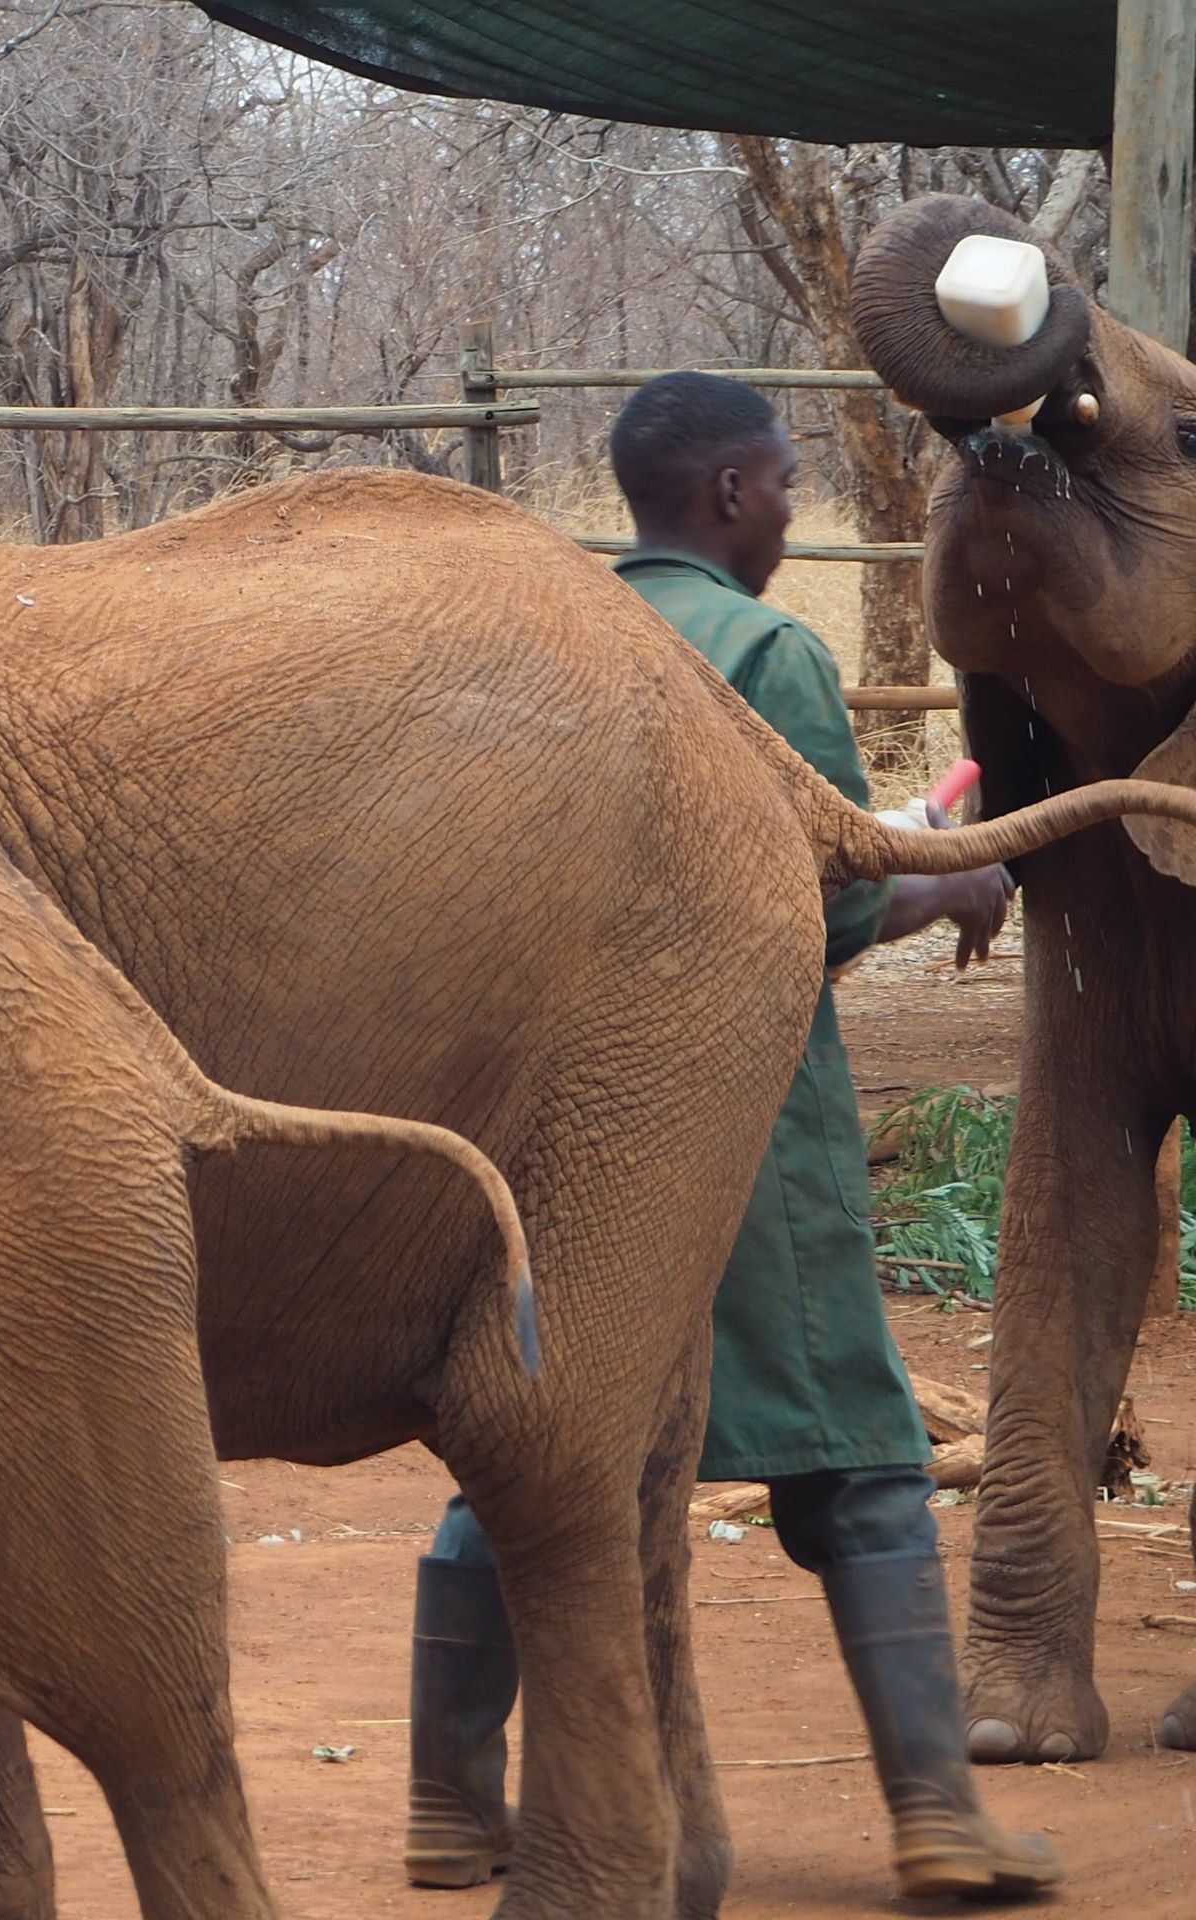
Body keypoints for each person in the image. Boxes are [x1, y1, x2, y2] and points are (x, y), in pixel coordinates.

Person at [402, 371, 1046, 1904]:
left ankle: (445, 1804)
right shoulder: (765, 651)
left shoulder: (527, 643)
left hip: (532, 1115)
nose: (793, 507)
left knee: (532, 1439)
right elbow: (813, 908)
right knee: (858, 1449)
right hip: (733, 1120)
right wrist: (946, 883)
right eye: (785, 480)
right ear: (734, 496)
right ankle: (938, 1812)